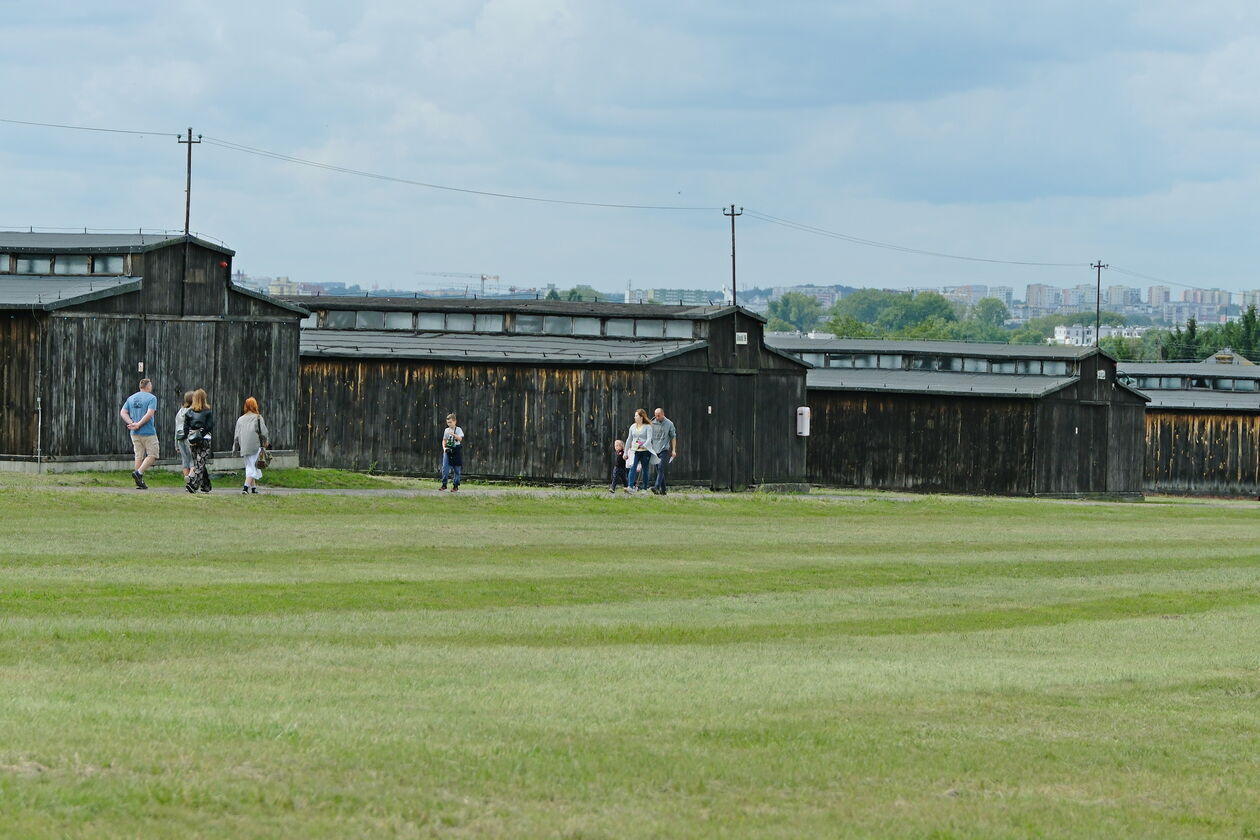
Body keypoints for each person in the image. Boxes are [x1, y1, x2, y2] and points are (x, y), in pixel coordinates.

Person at [119, 378, 158, 489]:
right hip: (148, 431)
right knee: (153, 454)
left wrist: (132, 423)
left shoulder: (131, 398)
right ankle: (139, 473)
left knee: (138, 456)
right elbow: (150, 414)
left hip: (134, 432)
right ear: (148, 386)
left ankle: (139, 482)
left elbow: (123, 412)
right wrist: (139, 424)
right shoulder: (152, 398)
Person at [232, 397, 270, 495]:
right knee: (253, 467)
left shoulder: (240, 419)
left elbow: (236, 436)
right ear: (255, 405)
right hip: (255, 446)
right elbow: (264, 432)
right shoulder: (258, 417)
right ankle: (245, 488)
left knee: (249, 466)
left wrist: (235, 450)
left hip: (244, 447)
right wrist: (266, 442)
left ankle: (253, 488)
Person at [182, 388, 215, 494]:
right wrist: (201, 434)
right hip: (205, 439)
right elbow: (209, 426)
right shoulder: (207, 412)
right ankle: (194, 484)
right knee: (200, 463)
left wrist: (189, 437)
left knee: (198, 462)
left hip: (192, 440)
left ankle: (205, 484)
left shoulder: (189, 413)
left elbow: (185, 427)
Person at [649, 407, 678, 495]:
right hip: (655, 450)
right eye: (655, 416)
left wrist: (673, 450)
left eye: (658, 416)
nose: (657, 417)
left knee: (661, 468)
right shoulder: (652, 423)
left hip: (664, 449)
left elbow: (673, 437)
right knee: (659, 471)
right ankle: (663, 490)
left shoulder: (669, 423)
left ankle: (656, 487)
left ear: (663, 414)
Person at [626, 408, 654, 493]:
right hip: (635, 451)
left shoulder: (648, 427)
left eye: (636, 416)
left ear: (641, 417)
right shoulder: (632, 427)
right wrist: (625, 452)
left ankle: (644, 488)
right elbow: (629, 439)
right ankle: (630, 487)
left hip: (645, 451)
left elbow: (649, 439)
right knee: (632, 467)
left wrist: (642, 445)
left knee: (645, 469)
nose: (634, 417)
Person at [440, 413, 464, 491]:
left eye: (450, 422)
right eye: (448, 422)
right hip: (448, 449)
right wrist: (444, 448)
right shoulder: (446, 430)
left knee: (457, 469)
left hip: (456, 449)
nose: (449, 424)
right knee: (445, 468)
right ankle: (444, 484)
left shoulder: (458, 429)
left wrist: (453, 434)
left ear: (454, 421)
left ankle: (455, 486)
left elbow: (460, 439)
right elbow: (444, 440)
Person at [174, 391, 194, 482]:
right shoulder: (192, 411)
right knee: (193, 460)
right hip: (189, 437)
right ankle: (190, 478)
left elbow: (176, 427)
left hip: (179, 437)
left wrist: (176, 445)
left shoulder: (180, 412)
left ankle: (187, 481)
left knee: (185, 460)